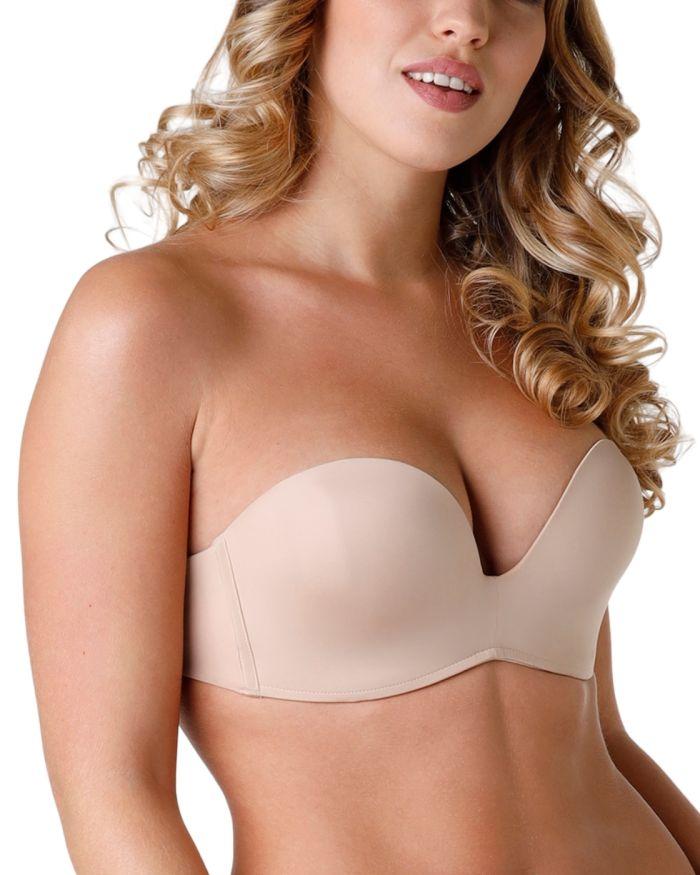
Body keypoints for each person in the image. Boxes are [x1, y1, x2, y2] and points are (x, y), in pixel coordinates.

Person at [19, 0, 700, 872]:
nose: (467, 20)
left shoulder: (532, 330)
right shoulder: (154, 323)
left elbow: (602, 737)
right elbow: (113, 792)